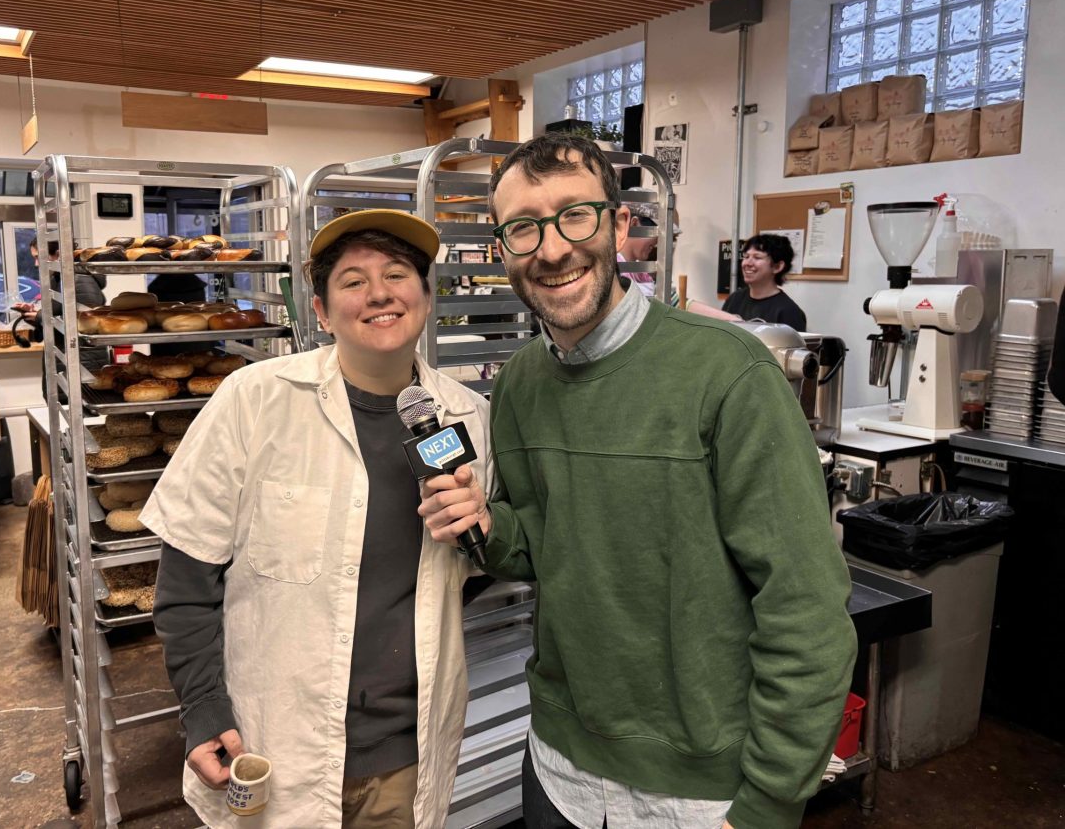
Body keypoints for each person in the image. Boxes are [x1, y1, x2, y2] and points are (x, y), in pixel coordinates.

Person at [420, 134, 855, 829]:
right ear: (503, 249)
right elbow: (543, 544)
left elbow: (803, 608)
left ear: (621, 225)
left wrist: (769, 802)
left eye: (575, 216)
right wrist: (488, 523)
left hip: (696, 793)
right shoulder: (523, 383)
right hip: (560, 767)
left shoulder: (728, 373)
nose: (552, 248)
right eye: (524, 228)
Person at [142, 209, 492, 828]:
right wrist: (201, 704)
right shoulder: (254, 400)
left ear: (427, 297)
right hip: (270, 747)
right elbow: (186, 580)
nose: (379, 292)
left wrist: (483, 534)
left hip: (403, 759)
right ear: (324, 312)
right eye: (353, 280)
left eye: (397, 273)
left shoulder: (469, 419)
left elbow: (476, 574)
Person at [17, 239, 109, 383]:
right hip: (66, 356)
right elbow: (62, 314)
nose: (36, 264)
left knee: (79, 403)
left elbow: (86, 322)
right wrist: (36, 314)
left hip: (83, 361)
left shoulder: (79, 279)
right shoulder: (59, 279)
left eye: (38, 257)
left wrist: (40, 316)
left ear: (58, 254)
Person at [720, 234, 807, 331]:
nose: (747, 263)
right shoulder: (735, 299)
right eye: (746, 256)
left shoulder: (789, 311)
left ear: (777, 267)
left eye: (757, 257)